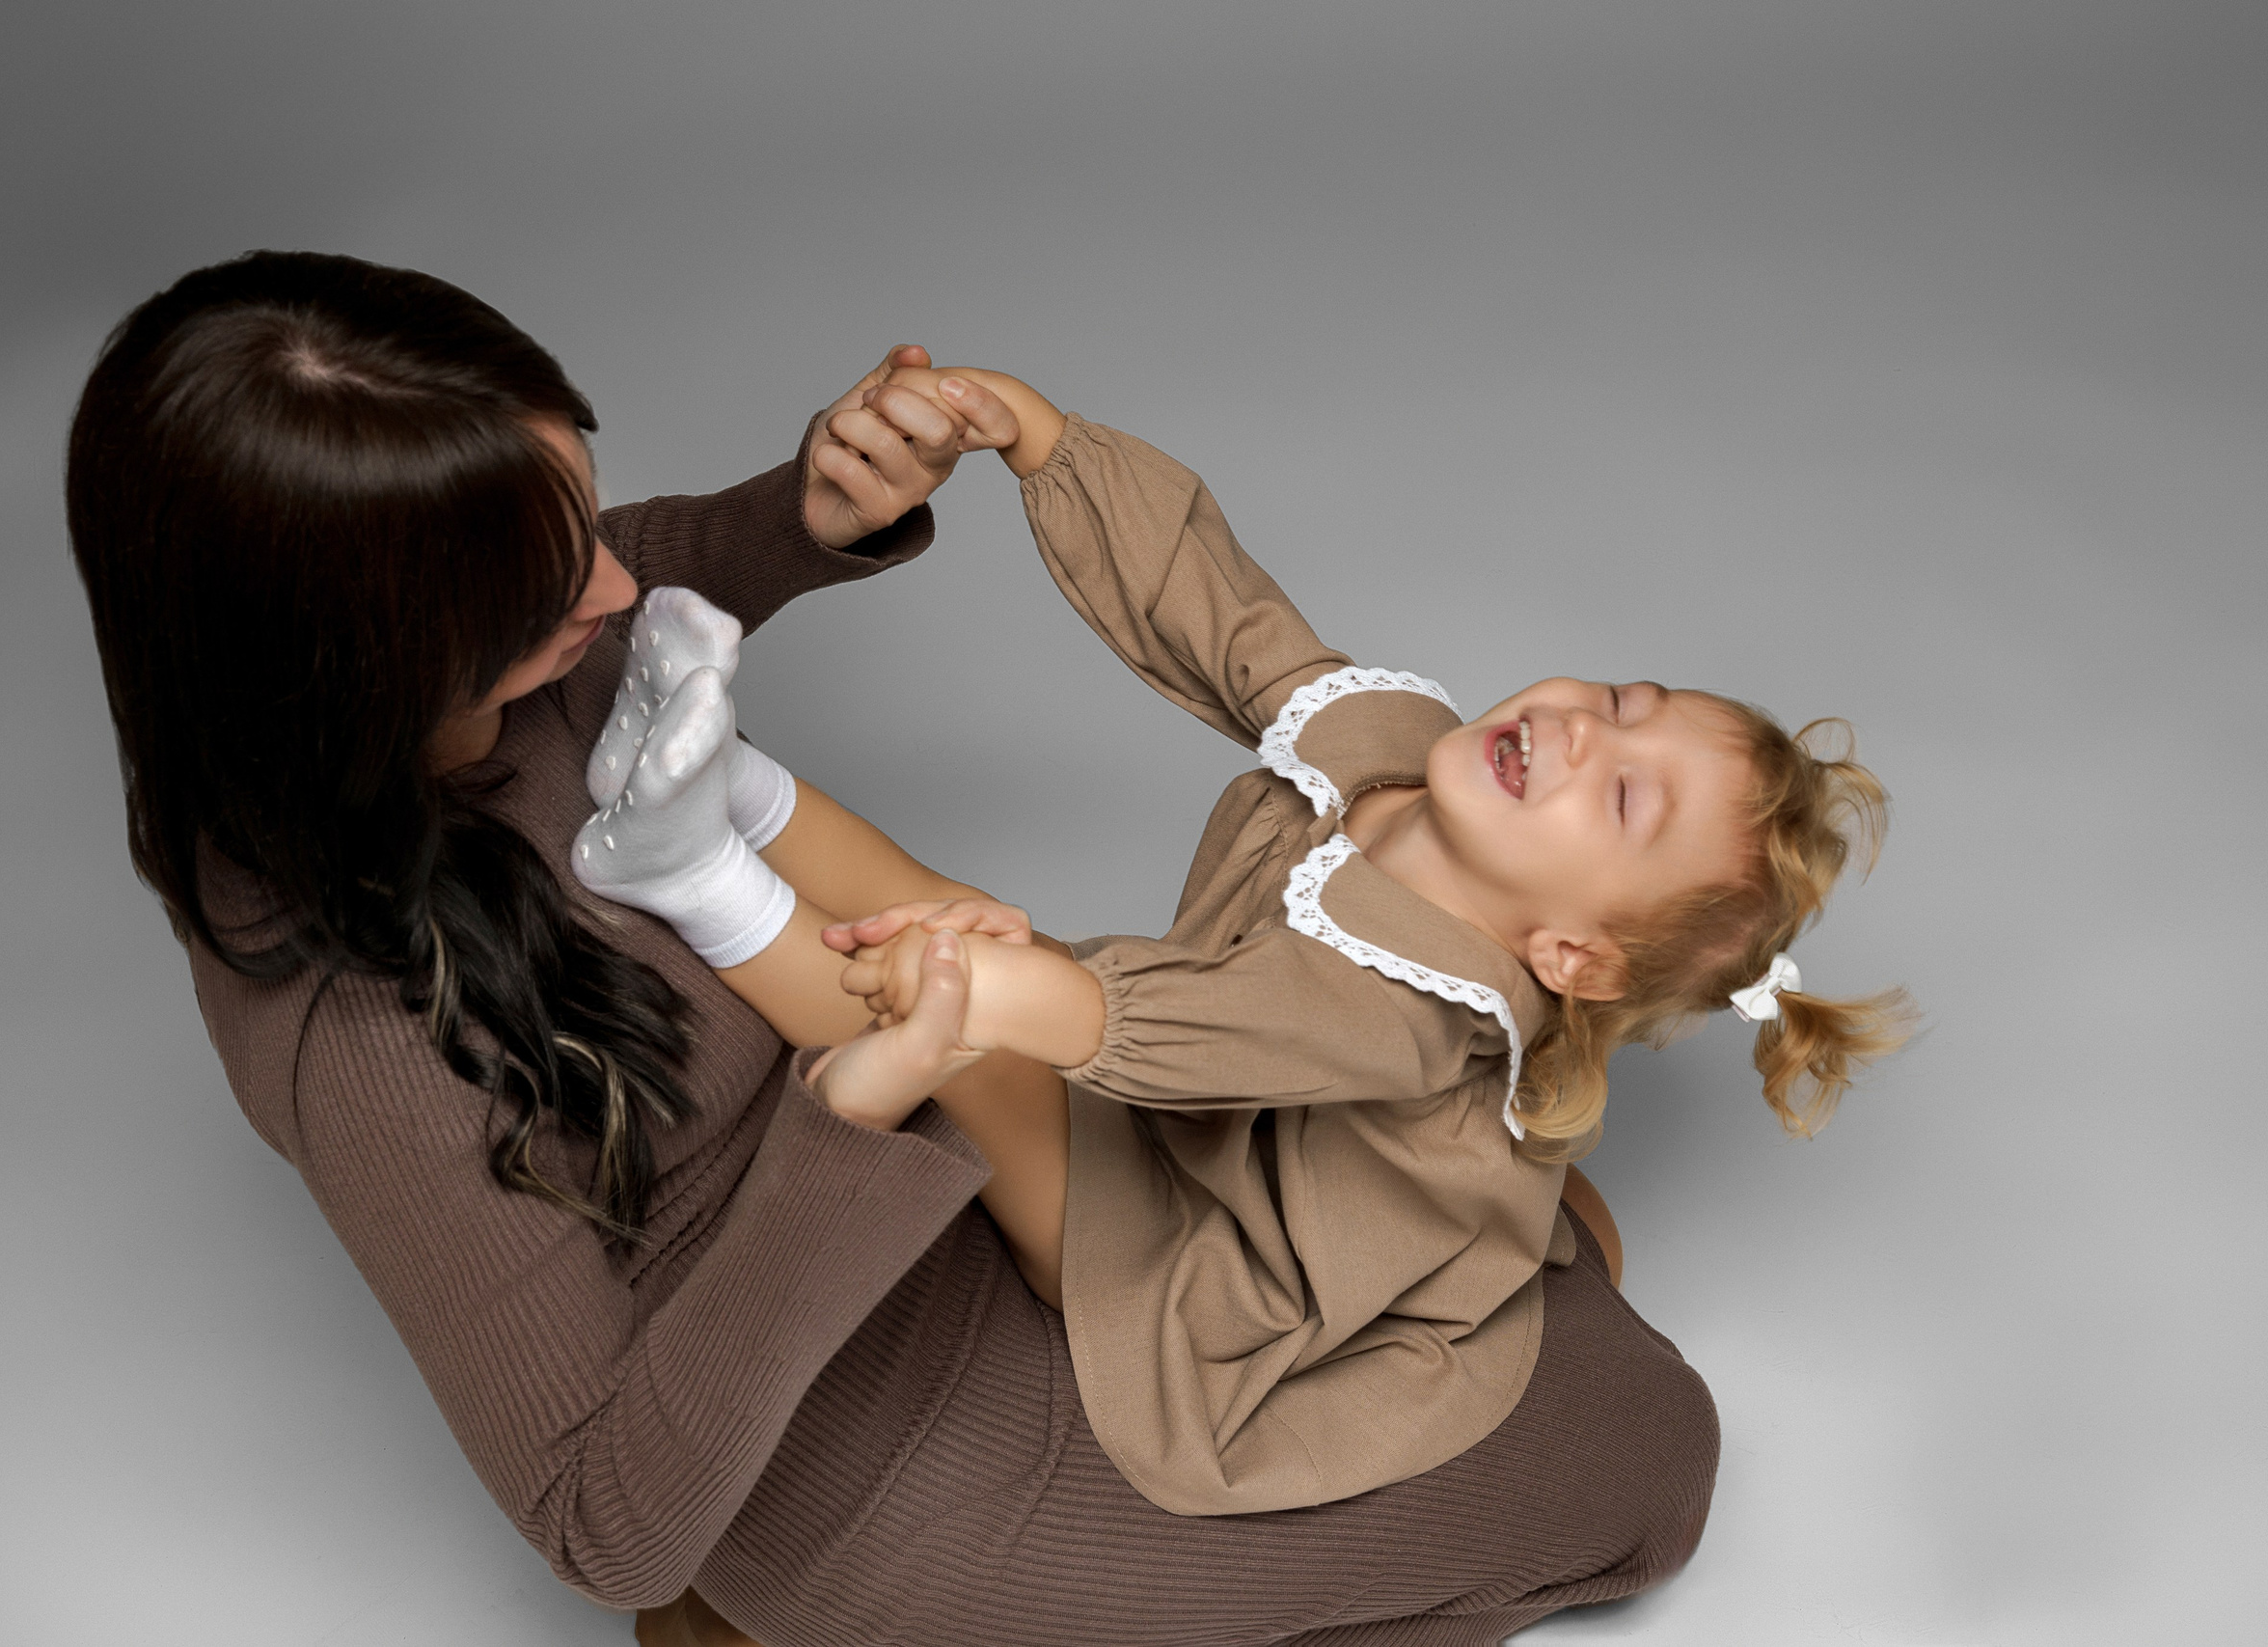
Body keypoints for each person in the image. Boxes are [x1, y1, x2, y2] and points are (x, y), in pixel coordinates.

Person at [68, 249, 1723, 1647]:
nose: (622, 579)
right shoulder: (353, 1041)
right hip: (853, 1430)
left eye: (584, 500)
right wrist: (847, 1122)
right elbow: (599, 1526)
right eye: (543, 585)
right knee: (1647, 1460)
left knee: (1446, 1260)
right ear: (356, 666)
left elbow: (657, 578)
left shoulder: (473, 645)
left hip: (984, 1180)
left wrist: (811, 506)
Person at [574, 368, 1909, 1520]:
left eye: (1621, 797)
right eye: (1624, 702)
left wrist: (1001, 984)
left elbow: (1165, 1027)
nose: (1580, 730)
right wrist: (1051, 446)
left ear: (1566, 955)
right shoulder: (1396, 753)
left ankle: (681, 864)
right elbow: (1217, 613)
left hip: (1208, 1273)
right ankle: (722, 774)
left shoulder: (1400, 1014)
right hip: (1198, 1105)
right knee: (948, 904)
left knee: (958, 1045)